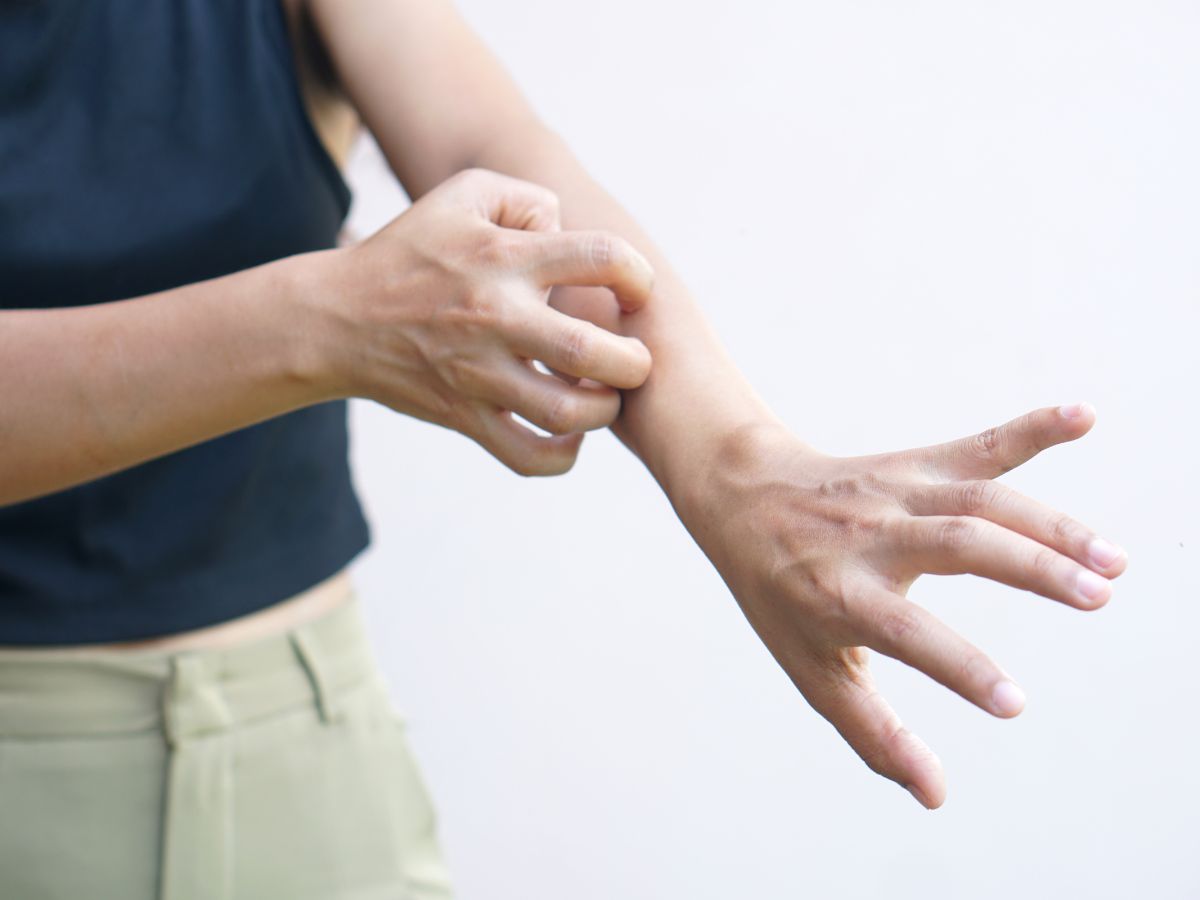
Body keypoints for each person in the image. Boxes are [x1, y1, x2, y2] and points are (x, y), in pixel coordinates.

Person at [0, 0, 1128, 897]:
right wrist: (325, 321)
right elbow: (364, 298)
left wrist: (735, 465)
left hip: (304, 749)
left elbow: (501, 158)